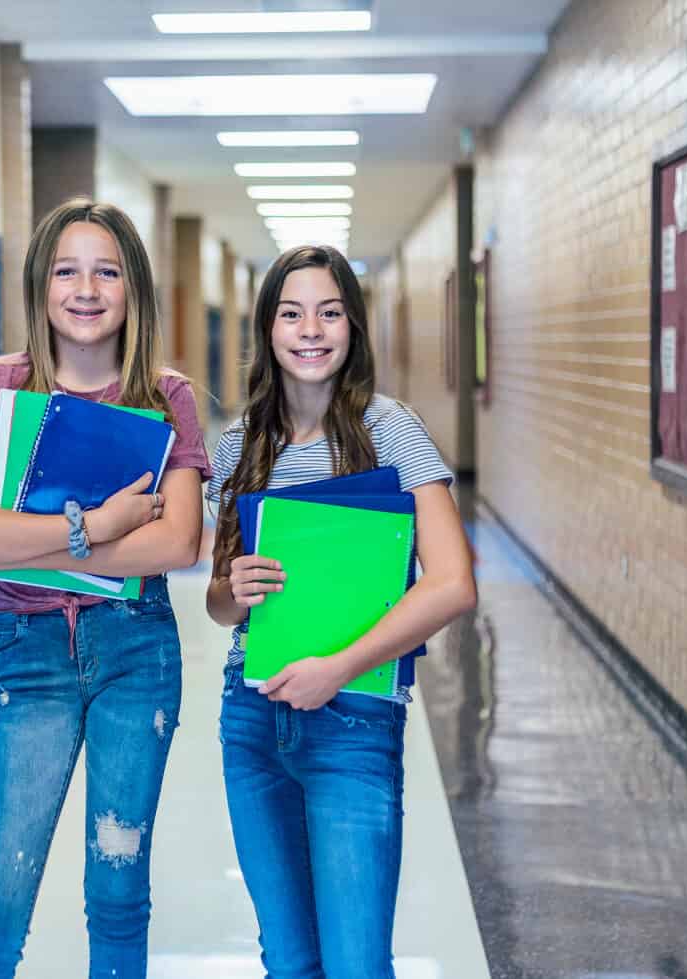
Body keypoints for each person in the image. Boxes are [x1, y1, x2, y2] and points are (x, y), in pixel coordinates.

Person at [0, 198, 210, 978]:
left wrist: (23, 537)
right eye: (66, 269)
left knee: (118, 893)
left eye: (107, 270)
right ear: (40, 284)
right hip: (31, 663)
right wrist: (97, 527)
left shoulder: (165, 397)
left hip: (137, 653)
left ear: (133, 289)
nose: (85, 289)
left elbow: (179, 541)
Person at [205, 244, 478, 979]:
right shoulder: (240, 443)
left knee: (356, 964)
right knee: (289, 962)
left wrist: (340, 667)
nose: (310, 329)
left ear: (353, 327)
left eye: (329, 312)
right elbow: (220, 605)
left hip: (354, 718)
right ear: (268, 328)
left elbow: (453, 582)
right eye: (291, 313)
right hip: (253, 717)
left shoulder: (390, 430)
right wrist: (237, 583)